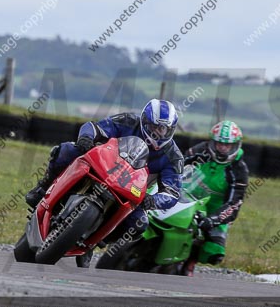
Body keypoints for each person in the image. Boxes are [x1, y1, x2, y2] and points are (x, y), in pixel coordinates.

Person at [25, 99, 183, 245]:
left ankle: (97, 242)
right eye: (154, 126)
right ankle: (42, 188)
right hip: (102, 164)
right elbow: (96, 127)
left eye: (163, 129)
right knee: (67, 150)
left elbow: (172, 192)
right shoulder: (128, 120)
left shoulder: (174, 157)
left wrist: (153, 201)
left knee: (139, 224)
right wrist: (86, 138)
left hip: (132, 191)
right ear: (144, 121)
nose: (158, 133)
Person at [181, 120, 248, 274]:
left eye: (227, 145)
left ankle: (189, 263)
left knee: (214, 252)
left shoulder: (239, 170)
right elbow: (177, 165)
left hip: (215, 210)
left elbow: (234, 204)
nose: (223, 148)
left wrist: (212, 220)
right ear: (212, 143)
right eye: (219, 144)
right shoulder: (201, 151)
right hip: (187, 196)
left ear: (235, 145)